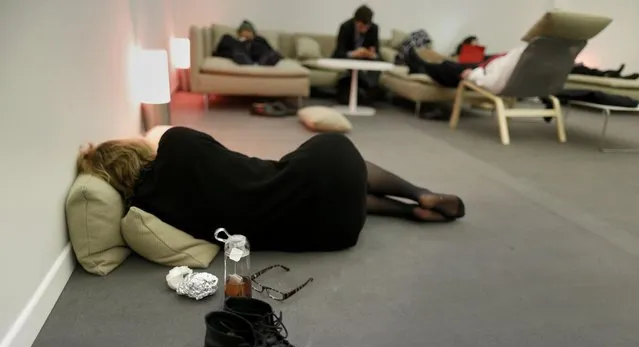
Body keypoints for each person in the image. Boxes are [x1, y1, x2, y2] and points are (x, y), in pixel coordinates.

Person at [77, 127, 465, 253]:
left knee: (314, 201)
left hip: (332, 235)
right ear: (133, 149)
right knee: (328, 153)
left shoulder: (145, 209)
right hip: (321, 177)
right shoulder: (177, 142)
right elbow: (225, 158)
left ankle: (407, 211)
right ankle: (419, 193)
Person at [405, 43, 527, 93]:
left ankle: (421, 67)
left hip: (483, 73)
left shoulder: (525, 51)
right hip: (485, 66)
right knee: (448, 64)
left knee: (448, 68)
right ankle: (421, 66)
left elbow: (495, 83)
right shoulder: (534, 52)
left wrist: (473, 75)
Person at [332, 5, 383, 105]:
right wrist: (353, 53)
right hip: (348, 59)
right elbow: (339, 51)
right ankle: (368, 88)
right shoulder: (345, 27)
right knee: (354, 69)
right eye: (361, 26)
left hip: (366, 60)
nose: (364, 29)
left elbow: (377, 52)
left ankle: (369, 88)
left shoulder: (374, 28)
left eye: (366, 27)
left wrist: (371, 53)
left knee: (378, 64)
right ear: (355, 21)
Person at [213, 20, 282, 66]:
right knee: (227, 37)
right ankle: (241, 57)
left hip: (257, 55)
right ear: (239, 33)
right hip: (240, 50)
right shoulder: (234, 40)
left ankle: (266, 60)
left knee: (266, 51)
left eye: (249, 31)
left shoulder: (259, 39)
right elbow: (220, 51)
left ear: (253, 33)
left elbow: (270, 49)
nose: (247, 33)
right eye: (244, 30)